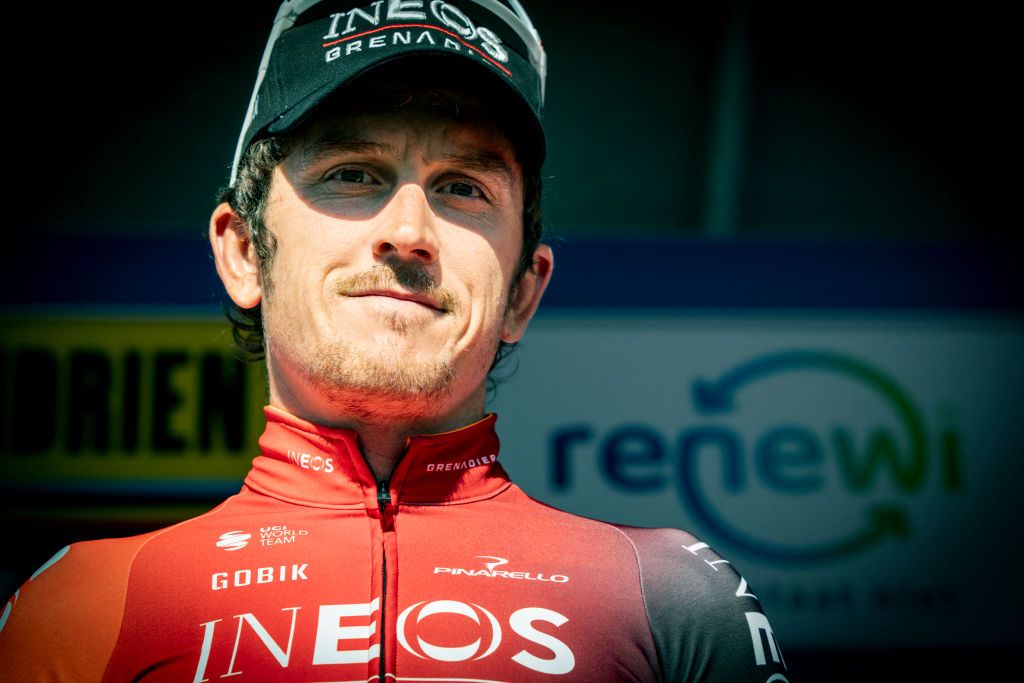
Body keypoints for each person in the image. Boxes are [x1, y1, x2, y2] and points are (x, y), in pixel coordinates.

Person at [0, 1, 789, 680]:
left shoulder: (677, 603)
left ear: (523, 290)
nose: (409, 232)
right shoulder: (79, 608)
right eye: (351, 172)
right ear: (244, 251)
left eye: (462, 187)